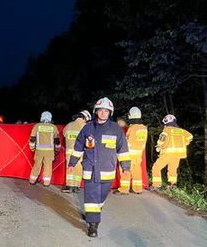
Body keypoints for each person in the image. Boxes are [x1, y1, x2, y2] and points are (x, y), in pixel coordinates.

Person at [67, 97, 131, 237]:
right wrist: (72, 162)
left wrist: (125, 167)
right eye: (100, 110)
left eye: (106, 111)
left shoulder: (116, 130)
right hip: (90, 170)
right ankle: (93, 225)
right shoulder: (87, 128)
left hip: (107, 171)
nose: (103, 113)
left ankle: (93, 213)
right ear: (96, 112)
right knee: (91, 197)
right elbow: (78, 146)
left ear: (110, 113)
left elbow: (123, 149)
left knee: (100, 198)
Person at [150, 114, 193, 189]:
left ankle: (156, 185)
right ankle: (173, 185)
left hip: (168, 153)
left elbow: (162, 139)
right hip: (178, 154)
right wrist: (184, 143)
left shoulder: (167, 130)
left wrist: (158, 146)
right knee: (172, 169)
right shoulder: (182, 131)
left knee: (156, 167)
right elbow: (190, 137)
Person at [118, 107, 148, 194]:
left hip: (129, 153)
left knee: (125, 170)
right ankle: (138, 189)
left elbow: (127, 140)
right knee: (137, 170)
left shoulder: (132, 128)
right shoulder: (144, 128)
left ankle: (124, 189)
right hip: (138, 153)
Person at [62, 110, 92, 193]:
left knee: (70, 168)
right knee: (79, 168)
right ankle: (76, 186)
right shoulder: (86, 126)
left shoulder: (69, 125)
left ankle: (69, 186)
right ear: (85, 118)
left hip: (69, 151)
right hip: (81, 152)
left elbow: (64, 134)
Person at [29, 111, 60, 186]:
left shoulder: (37, 126)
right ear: (50, 118)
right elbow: (57, 141)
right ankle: (46, 183)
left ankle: (32, 181)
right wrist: (57, 150)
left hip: (39, 151)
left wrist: (32, 148)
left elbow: (32, 139)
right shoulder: (54, 127)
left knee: (37, 165)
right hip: (49, 152)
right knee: (48, 167)